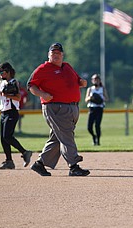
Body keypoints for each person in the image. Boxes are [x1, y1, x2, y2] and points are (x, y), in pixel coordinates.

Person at [27, 42, 90, 177]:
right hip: (55, 107)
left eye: (58, 53)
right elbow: (31, 85)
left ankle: (40, 164)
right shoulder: (43, 69)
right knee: (66, 135)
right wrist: (43, 95)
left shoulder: (67, 67)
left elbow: (77, 80)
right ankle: (73, 165)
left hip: (71, 107)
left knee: (57, 138)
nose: (56, 55)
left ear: (62, 55)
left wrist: (82, 82)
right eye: (53, 53)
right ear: (48, 55)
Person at [0, 62, 32, 170]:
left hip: (12, 112)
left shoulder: (13, 82)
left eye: (2, 72)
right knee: (3, 138)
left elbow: (18, 97)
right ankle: (9, 161)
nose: (0, 74)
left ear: (8, 72)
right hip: (3, 112)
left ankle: (25, 152)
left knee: (7, 136)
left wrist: (7, 95)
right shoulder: (1, 82)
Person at [85, 74, 109, 145]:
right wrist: (90, 98)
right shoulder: (90, 89)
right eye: (95, 79)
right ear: (92, 80)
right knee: (89, 127)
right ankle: (94, 136)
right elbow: (86, 99)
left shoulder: (102, 88)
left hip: (99, 108)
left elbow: (107, 98)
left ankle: (98, 141)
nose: (96, 81)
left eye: (98, 79)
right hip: (92, 108)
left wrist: (101, 99)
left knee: (97, 125)